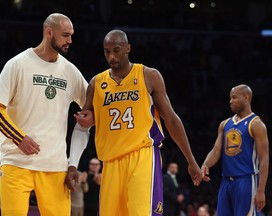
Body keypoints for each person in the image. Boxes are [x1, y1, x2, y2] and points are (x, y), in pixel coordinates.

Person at [66, 29, 202, 216]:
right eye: (107, 51)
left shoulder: (148, 76)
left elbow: (171, 119)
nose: (111, 56)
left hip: (142, 156)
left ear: (128, 48)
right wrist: (73, 161)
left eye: (116, 50)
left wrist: (191, 159)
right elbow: (83, 125)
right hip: (111, 161)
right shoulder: (96, 83)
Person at [0, 13, 92, 215]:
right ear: (49, 32)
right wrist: (19, 138)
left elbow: (91, 107)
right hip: (16, 163)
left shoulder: (70, 71)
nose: (70, 40)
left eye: (71, 35)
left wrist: (92, 117)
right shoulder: (18, 64)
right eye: (65, 35)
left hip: (55, 166)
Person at [201, 84, 269, 216]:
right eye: (230, 98)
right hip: (226, 181)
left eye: (234, 98)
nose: (230, 101)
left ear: (246, 97)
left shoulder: (256, 124)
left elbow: (264, 158)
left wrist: (261, 190)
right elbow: (216, 151)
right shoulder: (225, 124)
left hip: (246, 180)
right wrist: (205, 164)